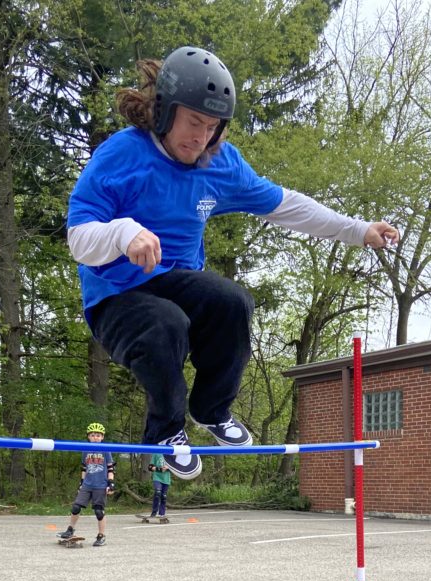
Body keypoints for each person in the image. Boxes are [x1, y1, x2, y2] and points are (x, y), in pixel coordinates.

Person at [67, 45, 400, 481]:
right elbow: (78, 239)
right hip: (115, 296)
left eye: (211, 128)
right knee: (165, 324)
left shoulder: (220, 162)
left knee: (232, 301)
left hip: (176, 280)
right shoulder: (121, 156)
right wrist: (122, 233)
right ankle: (166, 431)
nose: (199, 139)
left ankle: (212, 409)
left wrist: (358, 230)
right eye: (192, 124)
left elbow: (287, 206)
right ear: (165, 112)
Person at [59, 423, 115, 547]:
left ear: (102, 437)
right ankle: (70, 529)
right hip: (87, 484)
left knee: (99, 511)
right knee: (76, 507)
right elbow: (84, 468)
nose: (95, 437)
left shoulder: (106, 449)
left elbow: (110, 468)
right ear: (88, 437)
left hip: (100, 485)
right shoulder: (85, 449)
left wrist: (111, 484)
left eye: (98, 435)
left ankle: (101, 536)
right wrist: (81, 483)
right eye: (93, 435)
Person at [141, 453, 171, 523]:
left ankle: (162, 514)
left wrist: (168, 468)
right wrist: (160, 469)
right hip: (157, 477)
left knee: (163, 496)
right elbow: (150, 467)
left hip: (166, 479)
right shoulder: (156, 453)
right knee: (158, 492)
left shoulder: (170, 454)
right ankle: (154, 512)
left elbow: (176, 468)